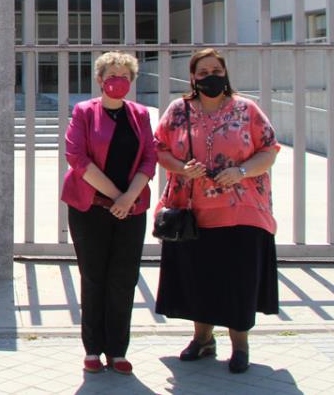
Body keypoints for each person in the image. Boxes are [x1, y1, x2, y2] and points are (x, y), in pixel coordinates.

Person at [153, 48, 281, 374]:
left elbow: (269, 150)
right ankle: (203, 339)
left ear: (225, 73)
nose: (211, 77)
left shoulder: (246, 109)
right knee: (200, 278)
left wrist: (241, 171)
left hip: (243, 210)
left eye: (216, 70)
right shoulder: (178, 111)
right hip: (193, 211)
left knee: (239, 280)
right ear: (193, 78)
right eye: (203, 72)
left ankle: (240, 345)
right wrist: (182, 167)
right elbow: (158, 149)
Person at [61, 51, 158, 376]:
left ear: (132, 81)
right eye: (112, 75)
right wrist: (118, 196)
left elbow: (149, 158)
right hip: (91, 209)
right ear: (100, 80)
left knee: (124, 278)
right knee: (94, 277)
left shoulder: (140, 114)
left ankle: (118, 351)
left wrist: (130, 198)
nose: (118, 81)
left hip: (131, 210)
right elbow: (77, 157)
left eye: (124, 76)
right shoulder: (84, 112)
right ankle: (92, 349)